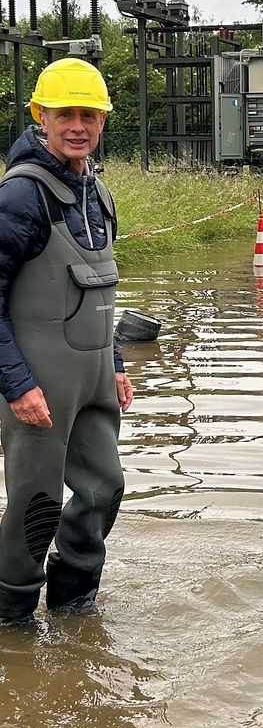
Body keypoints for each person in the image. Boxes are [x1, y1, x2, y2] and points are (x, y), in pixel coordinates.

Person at [0, 57, 133, 622]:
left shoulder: (96, 192)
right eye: (65, 114)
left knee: (104, 489)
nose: (78, 125)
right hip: (35, 391)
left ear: (103, 120)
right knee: (38, 508)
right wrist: (16, 383)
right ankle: (12, 623)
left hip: (95, 380)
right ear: (40, 116)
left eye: (89, 114)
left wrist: (118, 361)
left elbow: (99, 285)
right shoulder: (20, 197)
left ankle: (76, 609)